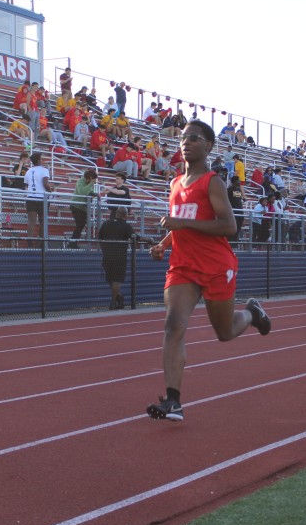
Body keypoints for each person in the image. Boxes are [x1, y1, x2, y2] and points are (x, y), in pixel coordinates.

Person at [146, 120, 272, 422]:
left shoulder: (212, 182)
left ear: (208, 146)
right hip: (183, 266)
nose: (186, 142)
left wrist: (182, 224)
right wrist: (164, 243)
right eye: (183, 138)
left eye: (194, 137)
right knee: (173, 326)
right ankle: (173, 401)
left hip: (215, 265)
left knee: (225, 332)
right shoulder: (175, 183)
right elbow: (180, 222)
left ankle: (252, 314)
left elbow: (229, 226)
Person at [99, 206, 138, 310]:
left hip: (107, 256)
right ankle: (113, 302)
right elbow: (135, 237)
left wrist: (104, 249)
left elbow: (99, 238)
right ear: (125, 215)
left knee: (111, 279)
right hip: (120, 257)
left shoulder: (106, 224)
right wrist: (148, 239)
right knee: (116, 280)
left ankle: (119, 297)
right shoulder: (126, 226)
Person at [23, 151, 53, 245]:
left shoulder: (28, 171)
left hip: (30, 198)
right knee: (43, 221)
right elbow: (45, 184)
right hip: (41, 198)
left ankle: (29, 243)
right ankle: (41, 242)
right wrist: (51, 192)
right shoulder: (44, 170)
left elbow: (26, 185)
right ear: (39, 160)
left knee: (31, 222)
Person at [68, 169, 98, 248]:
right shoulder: (80, 181)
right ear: (90, 178)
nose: (95, 182)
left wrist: (96, 194)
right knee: (80, 225)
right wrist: (91, 183)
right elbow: (82, 192)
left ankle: (73, 243)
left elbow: (90, 192)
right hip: (76, 206)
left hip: (83, 208)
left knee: (81, 225)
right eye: (94, 180)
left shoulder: (90, 184)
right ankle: (72, 243)